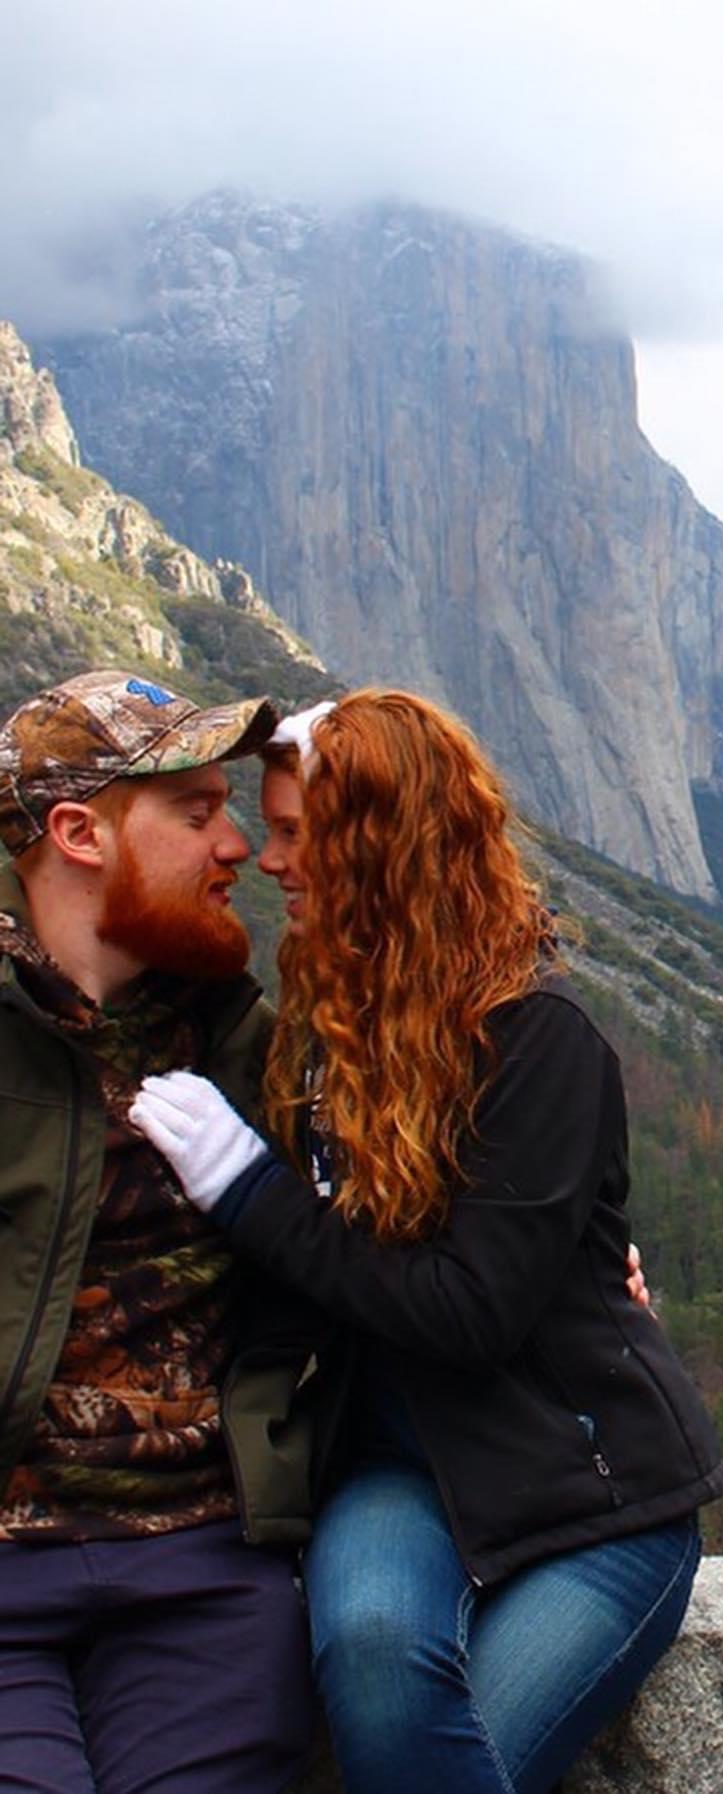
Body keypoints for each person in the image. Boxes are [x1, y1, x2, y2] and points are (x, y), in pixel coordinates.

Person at [131, 689, 723, 1794]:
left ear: (384, 847)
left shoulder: (539, 1046)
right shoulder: (316, 1043)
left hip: (592, 1498)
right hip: (400, 1476)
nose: (270, 862)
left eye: (299, 834)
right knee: (368, 1646)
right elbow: (309, 1287)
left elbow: (470, 1314)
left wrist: (249, 1190)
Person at [0, 669, 319, 1794]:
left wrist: (579, 1264)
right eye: (195, 815)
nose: (236, 847)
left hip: (203, 1564)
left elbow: (423, 1226)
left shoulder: (244, 1040)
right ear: (79, 833)